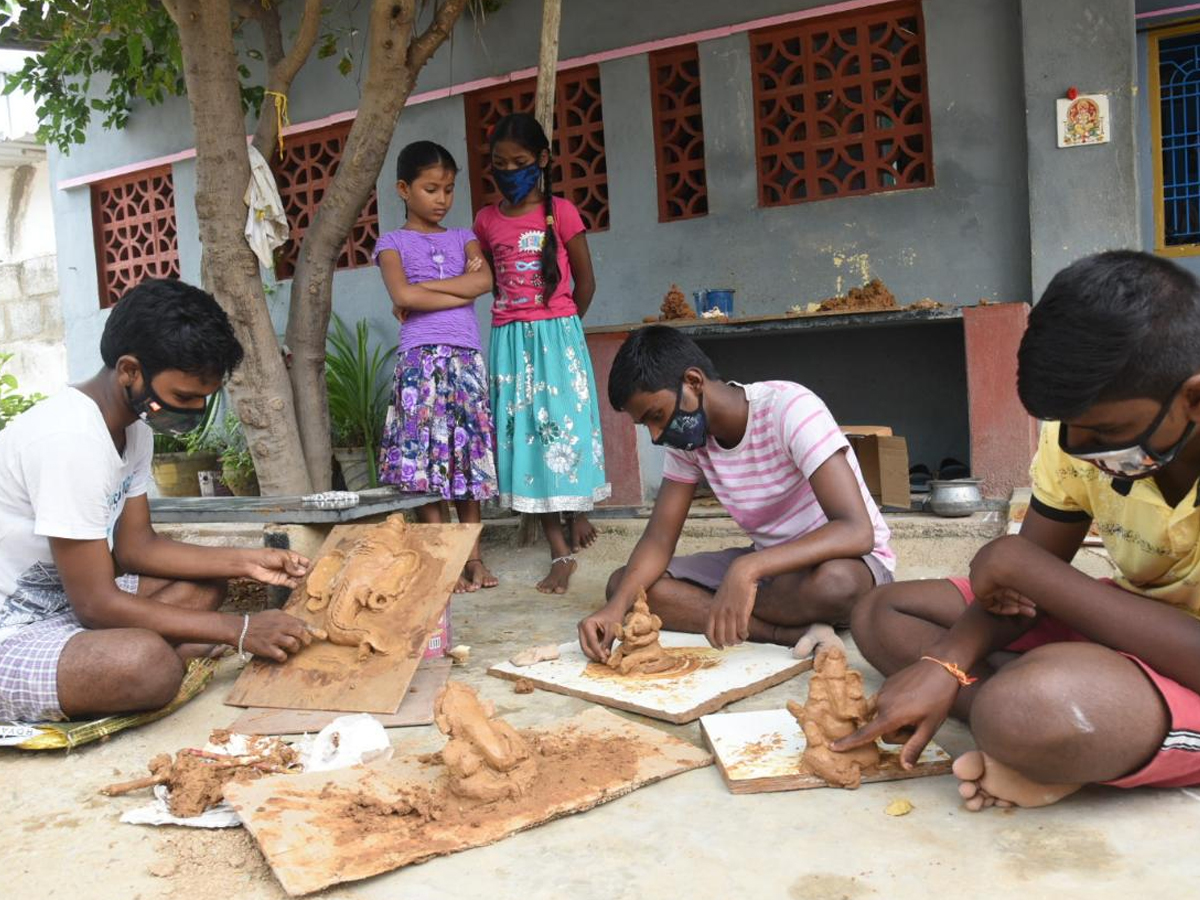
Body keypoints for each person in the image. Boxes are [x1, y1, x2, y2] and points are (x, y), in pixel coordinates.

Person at [837, 250, 1200, 810]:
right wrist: (946, 663)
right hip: (1132, 624)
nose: (1079, 449)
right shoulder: (1080, 439)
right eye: (1067, 428)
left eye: (1103, 430)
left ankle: (1057, 725)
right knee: (880, 613)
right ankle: (1071, 730)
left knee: (1026, 709)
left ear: (1192, 397)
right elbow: (1014, 594)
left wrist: (1025, 569)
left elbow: (1028, 571)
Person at [0, 279, 314, 724]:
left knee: (206, 585)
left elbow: (136, 549)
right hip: (14, 627)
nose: (192, 411)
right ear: (130, 371)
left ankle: (152, 653)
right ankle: (160, 657)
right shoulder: (69, 441)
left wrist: (246, 560)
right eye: (184, 397)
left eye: (203, 400)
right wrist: (238, 628)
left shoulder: (134, 428)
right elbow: (95, 605)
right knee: (146, 665)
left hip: (64, 603)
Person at [578, 326, 895, 660]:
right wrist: (613, 611)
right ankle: (786, 632)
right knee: (626, 588)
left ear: (694, 382)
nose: (657, 435)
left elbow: (857, 531)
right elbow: (658, 541)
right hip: (773, 568)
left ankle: (757, 611)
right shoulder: (688, 444)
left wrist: (747, 570)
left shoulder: (789, 408)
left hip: (842, 561)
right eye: (647, 425)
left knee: (835, 585)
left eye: (657, 416)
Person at [473, 113, 610, 594]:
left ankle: (576, 513)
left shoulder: (565, 212)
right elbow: (487, 280)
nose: (509, 171)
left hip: (558, 337)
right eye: (499, 164)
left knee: (565, 425)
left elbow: (587, 282)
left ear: (543, 161)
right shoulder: (486, 221)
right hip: (511, 344)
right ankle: (560, 550)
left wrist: (565, 327)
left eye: (521, 162)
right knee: (527, 435)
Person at [375, 140, 499, 593]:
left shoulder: (463, 236)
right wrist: (459, 289)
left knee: (466, 460)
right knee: (426, 462)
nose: (442, 199)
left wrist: (435, 287)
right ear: (404, 189)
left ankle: (475, 560)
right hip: (420, 363)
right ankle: (444, 563)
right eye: (431, 189)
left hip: (465, 359)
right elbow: (403, 296)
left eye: (448, 189)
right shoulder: (391, 243)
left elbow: (484, 282)